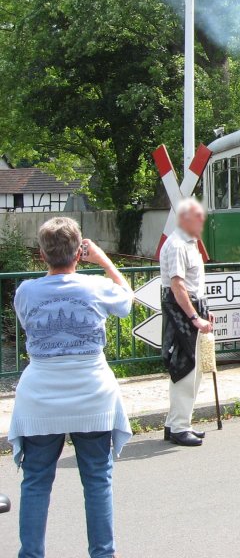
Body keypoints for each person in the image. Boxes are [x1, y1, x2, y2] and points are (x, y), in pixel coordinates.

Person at [9, 217, 134, 558]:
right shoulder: (95, 288)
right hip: (92, 394)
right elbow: (126, 300)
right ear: (79, 251)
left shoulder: (25, 291)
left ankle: (31, 554)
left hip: (40, 397)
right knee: (97, 481)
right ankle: (103, 554)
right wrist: (104, 260)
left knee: (35, 482)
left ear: (41, 254)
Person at [160, 197, 213, 447]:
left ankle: (176, 423)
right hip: (181, 310)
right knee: (185, 369)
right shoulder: (178, 245)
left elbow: (193, 286)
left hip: (189, 306)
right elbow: (178, 286)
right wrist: (195, 317)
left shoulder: (189, 243)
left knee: (191, 369)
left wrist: (204, 311)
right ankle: (180, 428)